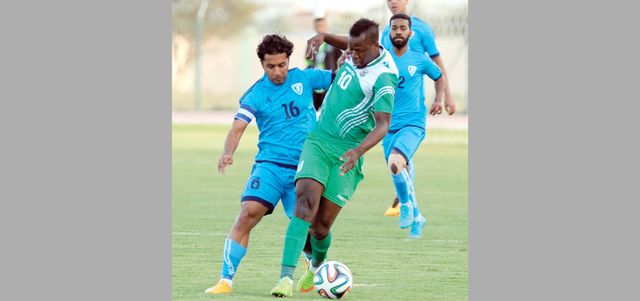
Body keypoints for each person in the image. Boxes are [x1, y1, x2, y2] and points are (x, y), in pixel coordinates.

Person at [270, 18, 398, 297]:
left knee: (320, 228)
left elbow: (383, 125)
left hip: (348, 152)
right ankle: (285, 279)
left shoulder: (385, 76)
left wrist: (358, 151)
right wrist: (325, 36)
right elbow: (350, 43)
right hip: (318, 140)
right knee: (304, 205)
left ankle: (316, 267)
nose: (353, 55)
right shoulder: (357, 51)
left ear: (376, 46)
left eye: (359, 51)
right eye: (350, 49)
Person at [205, 34, 333, 294]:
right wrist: (228, 152)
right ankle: (225, 280)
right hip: (270, 166)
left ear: (289, 60)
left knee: (308, 231)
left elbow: (346, 80)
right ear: (262, 64)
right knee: (247, 214)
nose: (278, 72)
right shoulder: (256, 94)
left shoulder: (306, 77)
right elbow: (237, 129)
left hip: (304, 169)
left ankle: (315, 269)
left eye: (282, 65)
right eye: (270, 66)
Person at [304, 14, 445, 238]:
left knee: (396, 162)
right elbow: (352, 44)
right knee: (396, 168)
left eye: (403, 28)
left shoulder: (419, 58)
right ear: (386, 34)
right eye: (394, 28)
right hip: (390, 123)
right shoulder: (379, 54)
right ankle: (417, 216)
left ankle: (406, 204)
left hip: (412, 123)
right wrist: (326, 37)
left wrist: (439, 98)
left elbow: (439, 75)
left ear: (411, 33)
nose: (398, 32)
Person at [382, 0, 457, 217]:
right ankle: (406, 200)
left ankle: (403, 200)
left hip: (413, 106)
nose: (393, 2)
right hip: (389, 109)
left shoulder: (422, 29)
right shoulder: (386, 32)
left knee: (401, 153)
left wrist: (446, 96)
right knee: (396, 156)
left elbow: (437, 64)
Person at [306, 17, 343, 111]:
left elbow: (341, 58)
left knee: (328, 110)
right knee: (311, 109)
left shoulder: (333, 44)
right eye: (317, 25)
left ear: (326, 26)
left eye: (322, 25)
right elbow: (307, 62)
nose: (320, 27)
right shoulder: (311, 43)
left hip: (328, 80)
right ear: (314, 27)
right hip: (314, 82)